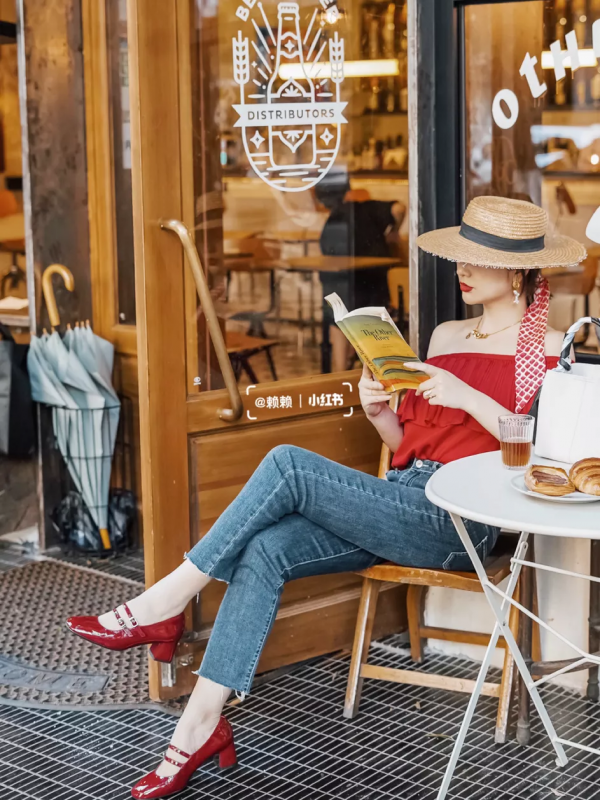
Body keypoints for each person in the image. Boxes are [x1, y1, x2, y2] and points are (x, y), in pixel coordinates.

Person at [66, 196, 585, 799]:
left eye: (476, 261)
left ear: (518, 272)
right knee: (265, 547)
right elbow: (408, 444)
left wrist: (467, 395)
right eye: (458, 258)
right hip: (400, 497)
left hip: (460, 521)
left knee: (288, 463)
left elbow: (543, 459)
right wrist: (379, 415)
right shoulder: (445, 335)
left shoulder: (549, 349)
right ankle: (198, 727)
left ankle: (165, 601)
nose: (460, 270)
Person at [315, 172, 406, 372]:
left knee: (337, 316)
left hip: (344, 279)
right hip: (370, 281)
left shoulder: (342, 213)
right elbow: (399, 208)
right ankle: (366, 370)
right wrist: (394, 231)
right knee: (359, 313)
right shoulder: (368, 208)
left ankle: (341, 372)